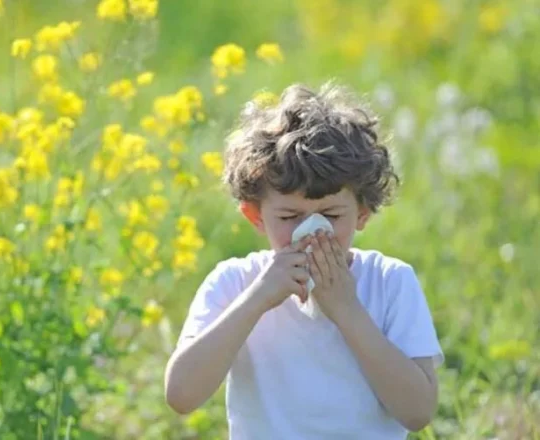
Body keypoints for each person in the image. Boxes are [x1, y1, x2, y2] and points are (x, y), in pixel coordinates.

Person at [164, 82, 444, 439]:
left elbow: (418, 411)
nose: (311, 232)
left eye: (330, 214)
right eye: (289, 217)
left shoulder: (390, 282)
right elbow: (182, 395)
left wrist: (346, 309)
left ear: (362, 212)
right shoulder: (235, 281)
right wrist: (257, 298)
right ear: (255, 216)